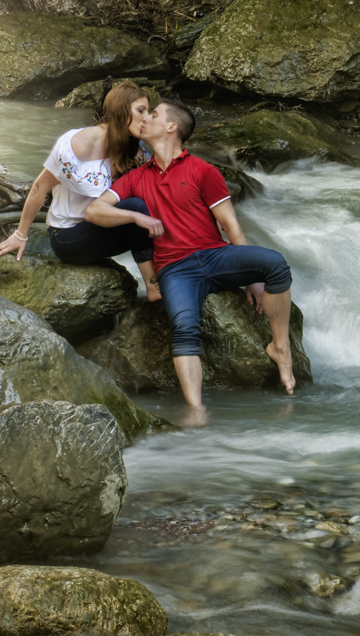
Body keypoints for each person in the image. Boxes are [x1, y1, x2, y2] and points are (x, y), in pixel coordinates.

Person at [84, 98, 297, 412]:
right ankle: (197, 412)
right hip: (174, 269)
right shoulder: (135, 177)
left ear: (171, 127)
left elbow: (230, 224)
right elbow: (93, 210)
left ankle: (281, 348)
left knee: (276, 265)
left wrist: (253, 279)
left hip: (216, 256)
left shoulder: (203, 170)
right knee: (184, 329)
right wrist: (136, 218)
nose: (145, 119)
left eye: (153, 114)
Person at [0, 80, 165, 301]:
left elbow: (156, 184)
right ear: (121, 110)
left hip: (103, 226)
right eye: (141, 110)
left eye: (148, 111)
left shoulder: (133, 148)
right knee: (137, 209)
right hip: (68, 237)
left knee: (153, 212)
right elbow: (39, 187)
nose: (147, 117)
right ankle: (153, 288)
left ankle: (174, 275)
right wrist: (20, 235)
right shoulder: (76, 145)